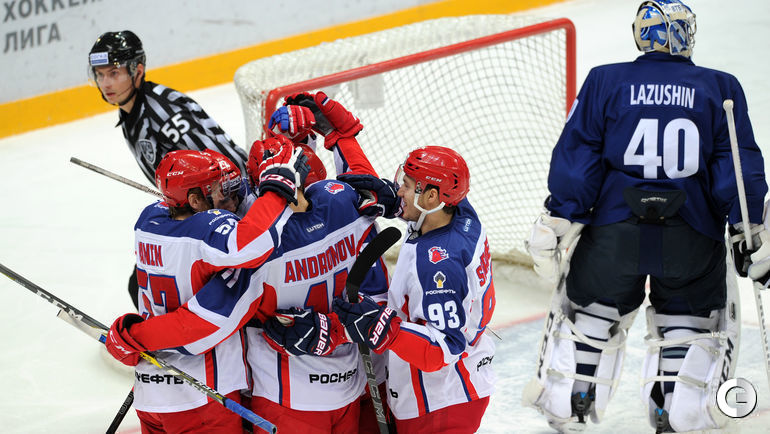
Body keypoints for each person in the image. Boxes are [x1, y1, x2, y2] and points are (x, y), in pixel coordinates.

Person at [522, 1, 769, 432]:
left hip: (613, 235)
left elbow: (578, 163)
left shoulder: (605, 80)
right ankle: (676, 410)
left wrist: (557, 219)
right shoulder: (719, 87)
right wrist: (749, 231)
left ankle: (571, 403)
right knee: (686, 322)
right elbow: (737, 168)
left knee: (594, 314)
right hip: (691, 237)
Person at [103, 145, 309, 433]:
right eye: (222, 192)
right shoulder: (204, 232)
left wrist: (134, 339)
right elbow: (251, 243)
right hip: (200, 399)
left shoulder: (148, 220)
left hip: (151, 393)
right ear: (195, 200)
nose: (233, 201)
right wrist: (277, 189)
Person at [331, 145, 497, 433]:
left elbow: (443, 348)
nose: (399, 191)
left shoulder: (437, 267)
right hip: (457, 388)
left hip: (440, 404)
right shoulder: (458, 213)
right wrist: (343, 136)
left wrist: (383, 329)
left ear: (431, 196)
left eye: (406, 186)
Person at [87, 30, 249, 308]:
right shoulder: (130, 110)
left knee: (154, 280)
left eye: (114, 73)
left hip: (232, 209)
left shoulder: (164, 113)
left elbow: (225, 170)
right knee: (145, 279)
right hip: (197, 209)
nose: (105, 83)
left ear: (137, 71)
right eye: (100, 75)